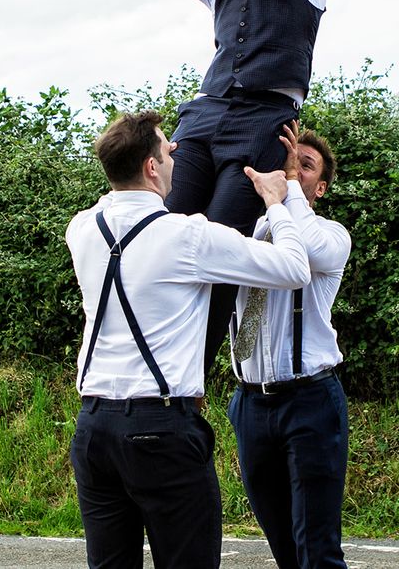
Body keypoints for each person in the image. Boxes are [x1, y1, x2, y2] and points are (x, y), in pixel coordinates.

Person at [65, 110, 311, 569]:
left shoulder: (81, 229)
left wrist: (137, 153)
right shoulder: (188, 237)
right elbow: (295, 269)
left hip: (93, 429)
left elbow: (113, 194)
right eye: (166, 147)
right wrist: (278, 203)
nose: (176, 152)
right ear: (151, 167)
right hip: (161, 431)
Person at [122, 0, 329, 374]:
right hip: (205, 113)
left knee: (220, 245)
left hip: (262, 118)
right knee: (159, 230)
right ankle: (139, 358)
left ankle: (186, 377)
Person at [228, 121, 351, 569]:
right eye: (288, 160)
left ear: (319, 188)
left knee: (316, 547)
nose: (292, 167)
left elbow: (309, 250)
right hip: (250, 404)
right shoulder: (247, 232)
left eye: (306, 164)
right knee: (282, 544)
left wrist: (287, 193)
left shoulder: (332, 236)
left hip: (310, 400)